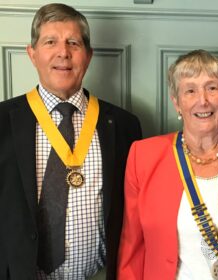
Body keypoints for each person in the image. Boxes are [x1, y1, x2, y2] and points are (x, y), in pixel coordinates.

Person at [0, 3, 142, 280]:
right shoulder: (2, 121)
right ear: (32, 54)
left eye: (73, 43)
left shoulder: (124, 125)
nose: (63, 52)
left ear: (88, 56)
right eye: (50, 41)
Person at [117, 49, 218, 279]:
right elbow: (132, 246)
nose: (202, 100)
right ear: (176, 103)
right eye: (190, 90)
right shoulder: (144, 156)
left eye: (212, 88)